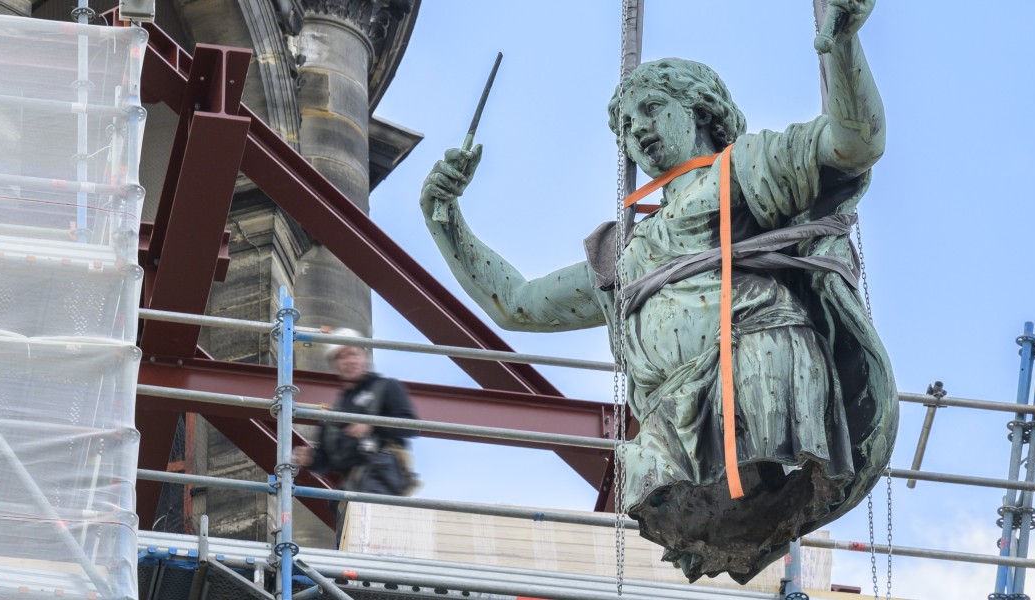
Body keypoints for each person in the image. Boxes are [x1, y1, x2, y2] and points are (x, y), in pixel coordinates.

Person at [415, 0, 893, 583]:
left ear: (701, 111)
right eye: (624, 125)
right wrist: (445, 220)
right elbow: (517, 304)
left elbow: (853, 143)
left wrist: (843, 47)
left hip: (755, 374)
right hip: (673, 414)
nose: (636, 130)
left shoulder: (747, 169)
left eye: (651, 109)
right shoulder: (626, 251)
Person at [292, 330, 419, 548]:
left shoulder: (386, 388)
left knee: (376, 539)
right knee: (350, 545)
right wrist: (311, 459)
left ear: (364, 357)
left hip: (381, 475)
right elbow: (327, 461)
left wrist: (373, 424)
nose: (349, 361)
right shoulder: (336, 412)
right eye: (341, 357)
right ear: (335, 365)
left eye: (353, 353)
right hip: (351, 489)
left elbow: (410, 426)